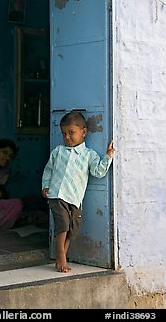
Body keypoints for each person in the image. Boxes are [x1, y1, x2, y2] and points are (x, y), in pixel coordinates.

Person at [42, 111, 115, 273]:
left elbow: (98, 172)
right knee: (63, 224)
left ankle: (62, 255)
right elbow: (48, 170)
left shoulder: (89, 155)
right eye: (64, 133)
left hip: (74, 198)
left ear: (83, 132)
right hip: (57, 195)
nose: (67, 137)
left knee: (72, 229)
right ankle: (60, 255)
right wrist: (45, 186)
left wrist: (108, 156)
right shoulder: (58, 151)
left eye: (71, 133)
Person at [0, 139, 23, 231]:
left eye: (10, 156)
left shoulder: (4, 173)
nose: (7, 158)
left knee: (17, 204)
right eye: (4, 152)